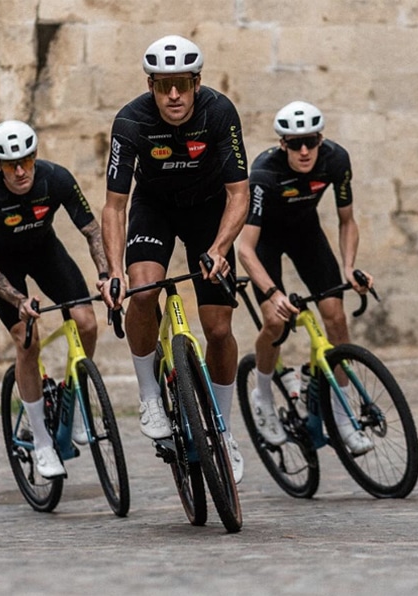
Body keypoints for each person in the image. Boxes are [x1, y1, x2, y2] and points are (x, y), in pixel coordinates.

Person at [99, 35, 250, 483]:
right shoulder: (130, 122)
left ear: (197, 83)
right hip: (155, 208)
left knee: (218, 329)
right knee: (144, 290)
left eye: (182, 83)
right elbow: (114, 206)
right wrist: (113, 271)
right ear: (150, 86)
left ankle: (222, 430)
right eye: (163, 85)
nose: (173, 95)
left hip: (209, 212)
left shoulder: (219, 113)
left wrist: (219, 249)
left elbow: (239, 194)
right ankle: (149, 394)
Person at [0, 120, 109, 478]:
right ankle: (43, 442)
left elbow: (92, 231)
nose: (20, 171)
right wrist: (19, 300)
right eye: (10, 165)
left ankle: (74, 405)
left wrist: (106, 275)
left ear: (35, 157)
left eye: (26, 161)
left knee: (87, 322)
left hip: (46, 253)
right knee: (27, 342)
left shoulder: (56, 178)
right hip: (6, 268)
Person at [236, 100, 375, 455]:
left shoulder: (336, 160)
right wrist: (273, 292)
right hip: (265, 240)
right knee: (275, 322)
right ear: (282, 144)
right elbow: (245, 249)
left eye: (310, 142)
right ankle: (262, 395)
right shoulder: (264, 174)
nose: (303, 151)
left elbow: (347, 221)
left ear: (320, 140)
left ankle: (343, 418)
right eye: (295, 143)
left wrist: (349, 267)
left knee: (336, 318)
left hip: (306, 233)